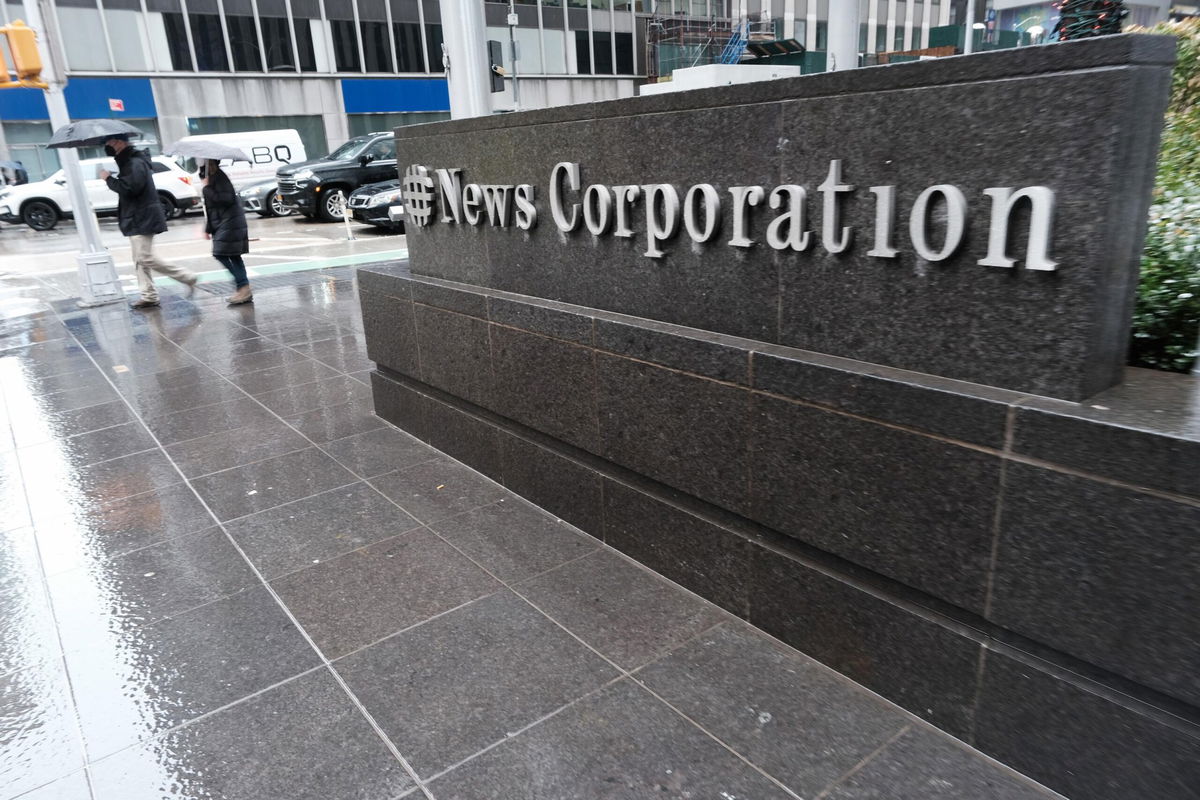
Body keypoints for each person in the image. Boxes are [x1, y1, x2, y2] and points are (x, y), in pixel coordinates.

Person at [99, 135, 196, 310]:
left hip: (141, 216)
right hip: (136, 216)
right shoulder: (128, 162)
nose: (108, 147)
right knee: (139, 259)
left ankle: (187, 277)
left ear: (120, 143)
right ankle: (148, 295)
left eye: (110, 143)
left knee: (144, 257)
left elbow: (130, 189)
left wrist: (108, 179)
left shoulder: (134, 163)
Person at [201, 160, 253, 305]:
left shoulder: (219, 177)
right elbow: (211, 210)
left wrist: (206, 189)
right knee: (234, 256)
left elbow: (226, 198)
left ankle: (243, 286)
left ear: (211, 165)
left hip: (231, 222)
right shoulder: (213, 178)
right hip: (227, 223)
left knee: (220, 254)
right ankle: (243, 288)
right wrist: (207, 229)